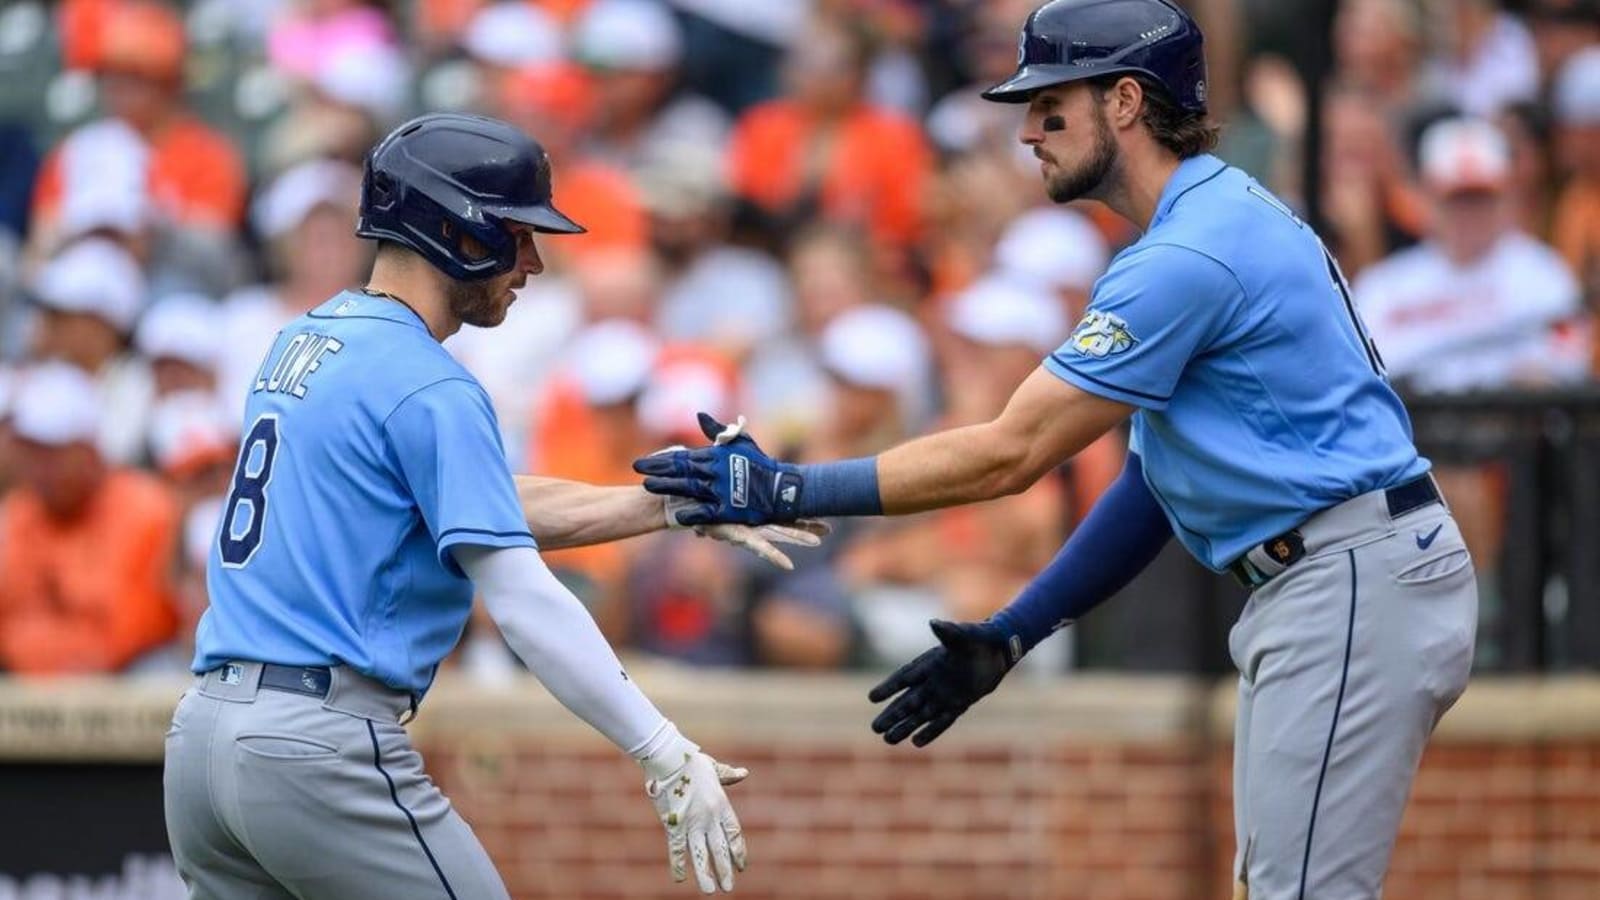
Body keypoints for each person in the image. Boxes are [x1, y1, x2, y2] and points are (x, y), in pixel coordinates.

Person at [634, 2, 1479, 898]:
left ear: (1125, 101)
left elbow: (1013, 451)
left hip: (1347, 574)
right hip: (1346, 573)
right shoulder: (1206, 218)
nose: (1028, 130)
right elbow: (1155, 481)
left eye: (1051, 105)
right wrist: (1015, 631)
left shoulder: (1189, 251)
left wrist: (791, 489)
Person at [164, 113, 823, 899]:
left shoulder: (303, 339)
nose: (534, 262)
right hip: (318, 744)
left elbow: (484, 504)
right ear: (453, 229)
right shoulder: (428, 381)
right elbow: (521, 598)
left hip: (203, 739)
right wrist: (661, 748)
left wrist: (666, 507)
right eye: (516, 233)